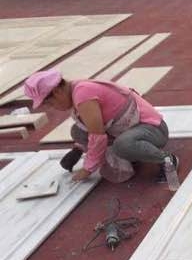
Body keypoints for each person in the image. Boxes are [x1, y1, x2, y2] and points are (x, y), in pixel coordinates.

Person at [23, 69, 178, 184]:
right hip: (130, 130)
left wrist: (87, 169)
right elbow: (91, 126)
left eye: (50, 103)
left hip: (154, 130)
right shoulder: (75, 89)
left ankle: (167, 160)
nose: (53, 108)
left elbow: (98, 135)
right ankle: (135, 155)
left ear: (57, 91)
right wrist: (78, 150)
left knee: (122, 145)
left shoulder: (83, 93)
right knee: (78, 132)